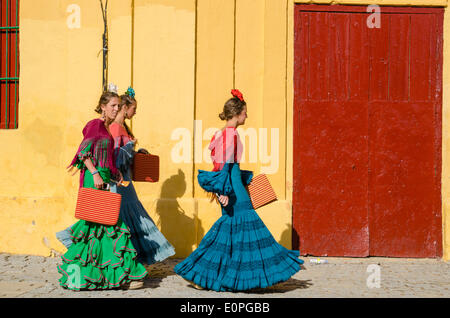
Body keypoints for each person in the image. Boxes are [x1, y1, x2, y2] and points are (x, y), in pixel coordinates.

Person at [174, 89, 305, 292]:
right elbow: (225, 165)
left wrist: (226, 186)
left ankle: (203, 276)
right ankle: (243, 277)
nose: (247, 116)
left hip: (231, 187)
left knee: (229, 236)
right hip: (235, 192)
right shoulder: (232, 134)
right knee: (248, 233)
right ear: (236, 113)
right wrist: (224, 190)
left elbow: (220, 165)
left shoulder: (220, 134)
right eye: (244, 112)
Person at [56, 91, 148, 291]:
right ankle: (122, 275)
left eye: (118, 105)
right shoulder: (95, 125)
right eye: (113, 105)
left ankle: (100, 276)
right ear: (103, 107)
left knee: (100, 227)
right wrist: (96, 173)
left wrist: (115, 174)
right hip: (94, 180)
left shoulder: (106, 127)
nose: (116, 109)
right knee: (106, 224)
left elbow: (105, 156)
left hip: (104, 178)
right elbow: (83, 152)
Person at [109, 87, 175, 265]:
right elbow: (115, 157)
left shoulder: (123, 127)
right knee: (127, 217)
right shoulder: (115, 128)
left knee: (135, 216)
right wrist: (130, 146)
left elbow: (125, 154)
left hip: (127, 181)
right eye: (133, 109)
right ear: (125, 108)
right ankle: (125, 259)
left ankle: (135, 257)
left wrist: (137, 152)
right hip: (120, 182)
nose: (135, 112)